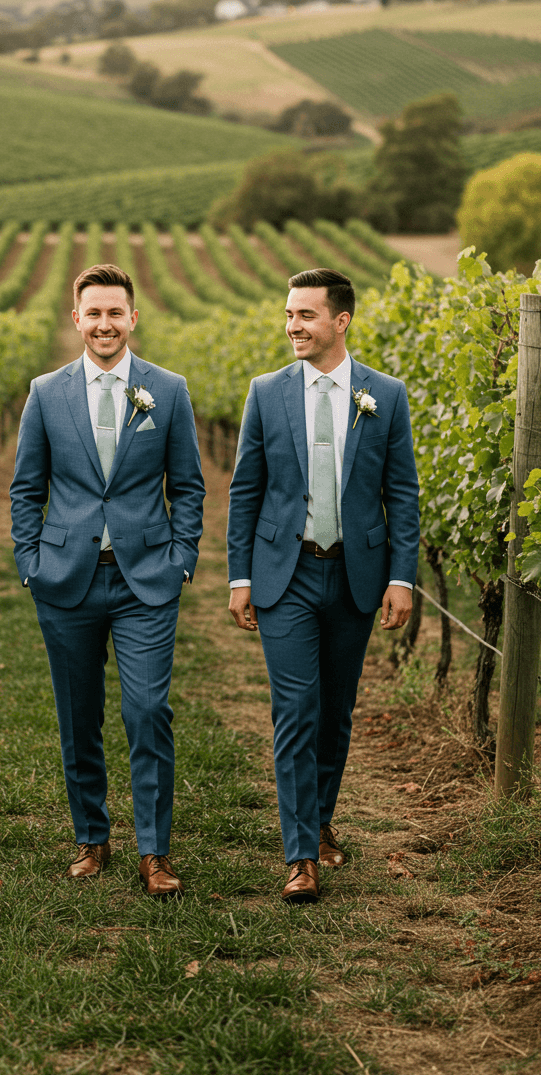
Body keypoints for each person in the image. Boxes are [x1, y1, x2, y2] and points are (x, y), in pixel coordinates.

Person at [10, 264, 205, 897]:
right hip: (65, 578)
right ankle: (92, 837)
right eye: (92, 313)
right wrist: (31, 563)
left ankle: (154, 851)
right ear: (76, 320)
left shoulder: (168, 390)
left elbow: (191, 486)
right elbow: (24, 488)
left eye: (115, 313)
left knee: (148, 710)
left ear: (133, 318)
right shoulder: (45, 392)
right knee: (79, 715)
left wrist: (180, 559)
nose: (104, 324)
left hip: (146, 577)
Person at [227, 269, 420, 904]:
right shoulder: (266, 391)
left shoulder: (384, 396)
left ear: (341, 322)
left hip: (357, 575)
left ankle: (322, 817)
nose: (293, 325)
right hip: (286, 573)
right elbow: (246, 489)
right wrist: (241, 575)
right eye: (288, 314)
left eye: (306, 315)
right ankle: (301, 855)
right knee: (296, 711)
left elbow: (402, 492)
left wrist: (400, 576)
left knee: (336, 711)